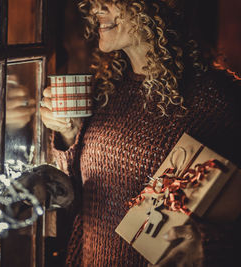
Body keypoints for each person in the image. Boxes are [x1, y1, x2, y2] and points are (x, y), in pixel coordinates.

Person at [40, 0, 241, 266]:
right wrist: (67, 133)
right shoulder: (105, 91)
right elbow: (81, 198)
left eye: (111, 1)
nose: (97, 9)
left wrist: (212, 245)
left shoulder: (221, 99)